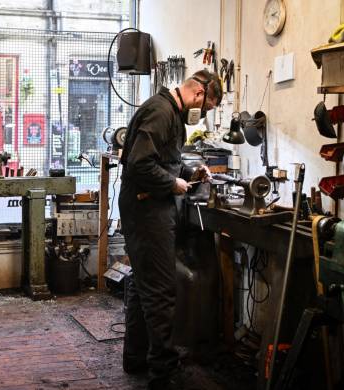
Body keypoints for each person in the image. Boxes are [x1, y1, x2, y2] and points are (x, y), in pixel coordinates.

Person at [119, 69, 222, 390]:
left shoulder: (171, 114)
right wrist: (172, 183)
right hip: (146, 207)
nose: (202, 115)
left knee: (142, 283)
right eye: (205, 109)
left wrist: (191, 171)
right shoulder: (162, 112)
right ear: (198, 94)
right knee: (161, 290)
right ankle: (162, 373)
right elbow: (139, 163)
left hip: (150, 205)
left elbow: (165, 160)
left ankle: (135, 358)